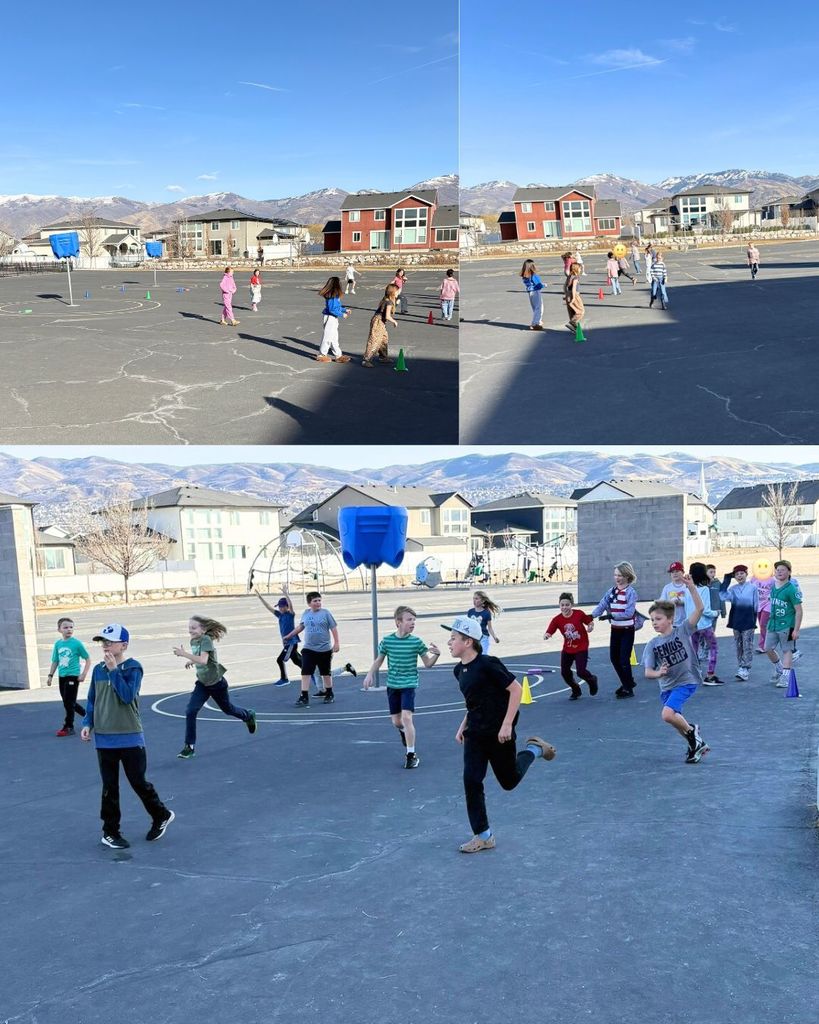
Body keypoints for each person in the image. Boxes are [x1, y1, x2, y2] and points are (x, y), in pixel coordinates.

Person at [444, 616, 556, 853]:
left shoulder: (488, 664)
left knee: (509, 781)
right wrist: (462, 725)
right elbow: (473, 702)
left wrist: (507, 725)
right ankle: (484, 835)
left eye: (453, 638)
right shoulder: (459, 670)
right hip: (475, 733)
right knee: (472, 780)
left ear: (467, 641)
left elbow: (515, 690)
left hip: (498, 733)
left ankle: (534, 750)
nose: (449, 642)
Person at [81, 624, 174, 849]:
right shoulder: (98, 670)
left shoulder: (133, 668)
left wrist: (114, 671)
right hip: (104, 737)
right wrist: (87, 723)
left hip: (130, 736)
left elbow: (127, 696)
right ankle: (110, 831)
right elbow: (93, 699)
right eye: (103, 642)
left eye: (110, 641)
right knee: (109, 787)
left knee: (138, 782)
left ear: (124, 645)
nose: (105, 645)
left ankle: (161, 814)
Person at [642, 577, 710, 765]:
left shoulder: (682, 631)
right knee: (675, 720)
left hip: (687, 681)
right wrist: (659, 673)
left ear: (670, 619)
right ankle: (696, 743)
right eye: (652, 620)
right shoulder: (652, 645)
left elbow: (699, 610)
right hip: (666, 687)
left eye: (658, 619)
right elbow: (648, 672)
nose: (654, 623)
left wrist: (692, 588)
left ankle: (693, 734)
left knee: (667, 714)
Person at [363, 606, 440, 768]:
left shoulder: (416, 642)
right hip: (393, 685)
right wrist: (370, 674)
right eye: (409, 620)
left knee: (406, 717)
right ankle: (404, 732)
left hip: (409, 685)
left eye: (414, 620)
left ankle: (411, 755)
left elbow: (427, 664)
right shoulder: (387, 641)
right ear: (398, 622)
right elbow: (379, 660)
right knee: (397, 722)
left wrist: (436, 655)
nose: (413, 623)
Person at [173, 616, 257, 759]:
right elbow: (199, 656)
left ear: (203, 629)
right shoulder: (194, 640)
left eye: (194, 628)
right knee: (190, 711)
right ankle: (189, 747)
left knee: (228, 710)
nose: (190, 631)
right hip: (202, 683)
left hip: (216, 684)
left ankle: (248, 715)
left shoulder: (206, 639)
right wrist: (190, 660)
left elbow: (204, 660)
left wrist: (183, 654)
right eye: (189, 628)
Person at [591, 561, 641, 698]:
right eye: (615, 575)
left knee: (624, 659)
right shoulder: (612, 591)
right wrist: (591, 616)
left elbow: (629, 613)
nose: (617, 578)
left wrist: (612, 615)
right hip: (615, 629)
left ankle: (628, 688)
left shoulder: (631, 592)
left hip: (627, 629)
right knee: (614, 658)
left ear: (627, 576)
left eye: (620, 575)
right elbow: (602, 604)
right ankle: (627, 682)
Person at [284, 591, 340, 706]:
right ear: (309, 603)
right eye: (315, 601)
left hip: (324, 649)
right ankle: (304, 696)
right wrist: (289, 636)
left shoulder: (326, 613)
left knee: (325, 673)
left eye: (319, 600)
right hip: (309, 649)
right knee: (305, 672)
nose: (318, 602)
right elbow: (301, 627)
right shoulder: (306, 613)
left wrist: (336, 643)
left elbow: (333, 628)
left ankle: (329, 693)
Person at [544, 593, 598, 699]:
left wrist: (590, 627)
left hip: (581, 647)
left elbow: (589, 622)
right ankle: (575, 689)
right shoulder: (557, 619)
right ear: (559, 605)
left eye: (567, 605)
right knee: (565, 672)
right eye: (562, 605)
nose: (564, 607)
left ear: (572, 605)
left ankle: (592, 680)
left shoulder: (579, 614)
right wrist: (547, 635)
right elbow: (550, 630)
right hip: (567, 649)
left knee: (581, 672)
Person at [47, 617, 88, 736]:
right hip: (62, 676)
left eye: (71, 627)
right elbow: (55, 661)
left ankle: (68, 726)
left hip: (73, 676)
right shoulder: (58, 644)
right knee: (68, 702)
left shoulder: (76, 643)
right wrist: (50, 675)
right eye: (65, 627)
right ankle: (90, 717)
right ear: (59, 629)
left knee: (69, 703)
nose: (69, 629)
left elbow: (87, 658)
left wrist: (83, 674)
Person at [254, 585, 302, 685]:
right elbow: (269, 607)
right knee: (297, 661)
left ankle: (284, 679)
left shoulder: (290, 614)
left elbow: (291, 605)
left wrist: (285, 593)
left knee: (280, 660)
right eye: (279, 607)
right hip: (287, 643)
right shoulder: (279, 615)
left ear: (286, 607)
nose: (280, 608)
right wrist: (260, 598)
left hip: (291, 642)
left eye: (282, 606)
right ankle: (312, 672)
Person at [764, 560, 802, 686]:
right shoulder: (774, 586)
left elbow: (799, 610)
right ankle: (779, 668)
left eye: (782, 569)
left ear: (789, 572)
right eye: (777, 570)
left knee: (787, 650)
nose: (779, 572)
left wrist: (796, 629)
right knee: (768, 648)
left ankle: (786, 676)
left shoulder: (791, 588)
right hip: (773, 624)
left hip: (788, 625)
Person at [719, 564, 758, 681]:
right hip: (736, 620)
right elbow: (722, 596)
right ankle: (740, 666)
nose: (739, 576)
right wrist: (726, 579)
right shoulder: (733, 589)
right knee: (739, 644)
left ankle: (746, 668)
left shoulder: (752, 588)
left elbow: (756, 605)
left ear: (746, 574)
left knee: (747, 644)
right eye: (737, 574)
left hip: (748, 620)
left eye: (742, 573)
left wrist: (754, 619)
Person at [689, 562, 721, 685]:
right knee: (713, 648)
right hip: (705, 625)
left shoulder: (688, 590)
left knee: (694, 650)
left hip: (692, 625)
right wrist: (715, 613)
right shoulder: (704, 589)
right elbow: (705, 609)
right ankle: (710, 675)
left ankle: (693, 674)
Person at [362, 283, 399, 367]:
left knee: (384, 339)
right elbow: (387, 316)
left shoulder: (386, 299)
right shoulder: (389, 302)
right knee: (375, 340)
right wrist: (394, 321)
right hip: (378, 322)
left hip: (379, 321)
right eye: (397, 292)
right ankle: (366, 360)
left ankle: (383, 357)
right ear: (392, 292)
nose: (398, 293)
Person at [316, 277, 352, 363]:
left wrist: (344, 309)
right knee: (327, 337)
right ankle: (322, 354)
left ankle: (338, 355)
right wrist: (342, 314)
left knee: (334, 338)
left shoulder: (333, 295)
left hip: (332, 317)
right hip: (330, 318)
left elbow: (336, 307)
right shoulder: (332, 295)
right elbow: (332, 309)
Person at [466, 590, 500, 655]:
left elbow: (490, 628)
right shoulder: (470, 612)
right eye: (473, 598)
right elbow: (467, 625)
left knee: (483, 655)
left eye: (476, 599)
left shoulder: (486, 613)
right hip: (473, 638)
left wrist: (494, 637)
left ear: (483, 601)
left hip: (483, 637)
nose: (474, 600)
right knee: (473, 656)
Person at [660, 562, 690, 626]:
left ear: (683, 572)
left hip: (686, 623)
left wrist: (682, 601)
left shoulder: (688, 586)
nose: (674, 574)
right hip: (671, 623)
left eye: (677, 571)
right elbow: (661, 604)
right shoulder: (667, 588)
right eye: (672, 572)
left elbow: (693, 602)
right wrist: (671, 603)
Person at [752, 569, 773, 654]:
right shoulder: (754, 578)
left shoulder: (772, 580)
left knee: (762, 624)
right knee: (762, 625)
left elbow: (776, 590)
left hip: (768, 604)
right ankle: (770, 641)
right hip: (758, 604)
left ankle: (763, 646)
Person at [520, 259, 545, 331]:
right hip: (535, 291)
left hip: (530, 292)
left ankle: (538, 321)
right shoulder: (533, 275)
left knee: (535, 307)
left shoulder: (525, 276)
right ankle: (535, 323)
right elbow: (538, 285)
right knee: (539, 308)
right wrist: (543, 285)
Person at [564, 263, 585, 333]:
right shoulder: (575, 278)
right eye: (579, 268)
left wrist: (566, 294)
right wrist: (573, 298)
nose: (580, 269)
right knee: (580, 311)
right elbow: (574, 288)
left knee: (572, 312)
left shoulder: (569, 276)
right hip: (574, 295)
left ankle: (574, 328)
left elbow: (564, 286)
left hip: (568, 294)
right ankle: (573, 322)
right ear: (576, 269)